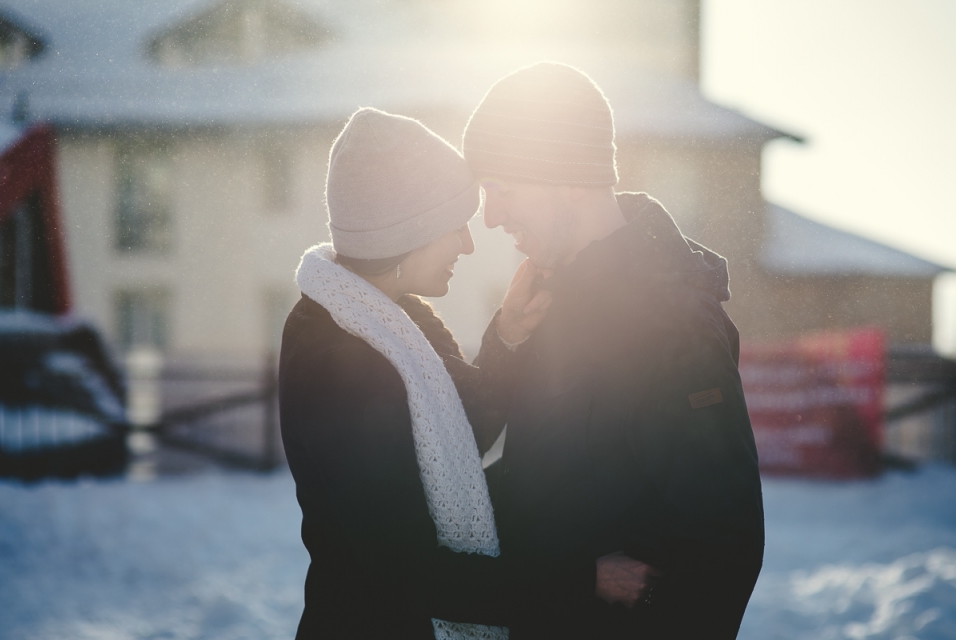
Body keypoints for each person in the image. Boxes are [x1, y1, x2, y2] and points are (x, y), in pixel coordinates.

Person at [279, 107, 648, 639]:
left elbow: (462, 427)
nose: (469, 245)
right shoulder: (334, 359)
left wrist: (508, 336)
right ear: (405, 234)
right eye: (455, 227)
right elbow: (409, 571)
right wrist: (579, 580)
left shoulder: (394, 316)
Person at [460, 62, 766, 639]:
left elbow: (721, 555)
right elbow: (532, 484)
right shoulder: (554, 300)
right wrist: (506, 343)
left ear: (568, 178)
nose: (491, 216)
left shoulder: (673, 327)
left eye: (501, 189)